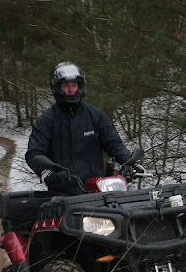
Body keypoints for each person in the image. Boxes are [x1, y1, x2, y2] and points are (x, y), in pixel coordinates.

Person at [25, 61, 139, 195]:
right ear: (57, 88)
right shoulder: (47, 121)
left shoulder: (95, 115)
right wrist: (46, 170)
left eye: (74, 85)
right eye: (65, 86)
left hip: (96, 189)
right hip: (62, 193)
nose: (71, 90)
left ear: (80, 86)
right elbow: (34, 153)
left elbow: (113, 144)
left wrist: (129, 163)